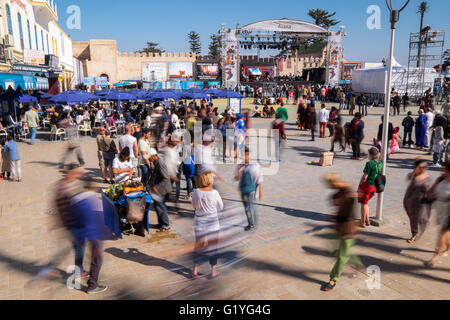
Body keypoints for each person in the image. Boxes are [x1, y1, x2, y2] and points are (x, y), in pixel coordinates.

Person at [321, 174, 362, 292]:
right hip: (339, 227)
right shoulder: (337, 193)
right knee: (341, 251)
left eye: (330, 184)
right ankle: (357, 263)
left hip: (348, 229)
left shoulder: (346, 192)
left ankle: (333, 279)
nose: (329, 187)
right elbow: (335, 203)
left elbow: (349, 203)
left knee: (342, 256)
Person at [191, 171, 223, 280]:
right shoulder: (215, 193)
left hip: (199, 223)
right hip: (213, 224)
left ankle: (195, 269)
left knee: (198, 246)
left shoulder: (196, 192)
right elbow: (221, 207)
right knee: (213, 247)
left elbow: (194, 206)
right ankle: (213, 270)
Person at [425, 161, 450, 267]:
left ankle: (435, 256)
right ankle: (449, 248)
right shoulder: (440, 179)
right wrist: (431, 195)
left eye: (444, 168)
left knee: (442, 233)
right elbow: (430, 193)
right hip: (440, 210)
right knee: (446, 233)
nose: (442, 170)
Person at [403, 159, 433, 244]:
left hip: (423, 201)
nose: (424, 168)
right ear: (416, 167)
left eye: (425, 167)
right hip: (411, 200)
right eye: (421, 167)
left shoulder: (428, 177)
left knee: (421, 217)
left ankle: (421, 226)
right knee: (413, 218)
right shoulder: (414, 174)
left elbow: (431, 189)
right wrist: (413, 172)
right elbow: (408, 177)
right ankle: (414, 234)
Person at [235, 148, 263, 231]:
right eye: (244, 155)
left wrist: (260, 190)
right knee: (247, 208)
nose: (246, 157)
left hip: (251, 190)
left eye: (247, 155)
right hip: (243, 190)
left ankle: (251, 224)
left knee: (249, 207)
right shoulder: (240, 166)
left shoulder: (254, 166)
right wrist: (237, 172)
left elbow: (259, 178)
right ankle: (251, 221)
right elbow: (237, 178)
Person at [148, 150, 172, 232]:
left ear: (153, 155)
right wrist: (151, 180)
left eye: (149, 157)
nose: (149, 159)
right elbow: (155, 174)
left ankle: (165, 224)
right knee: (156, 205)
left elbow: (165, 177)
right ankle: (161, 223)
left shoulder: (160, 162)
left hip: (161, 188)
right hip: (158, 187)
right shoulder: (156, 162)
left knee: (160, 206)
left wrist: (156, 188)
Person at [357, 148, 382, 228]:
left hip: (367, 186)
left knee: (363, 204)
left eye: (368, 154)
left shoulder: (369, 163)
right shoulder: (380, 163)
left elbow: (365, 177)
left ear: (370, 155)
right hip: (374, 187)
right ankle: (367, 220)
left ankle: (362, 222)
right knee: (366, 203)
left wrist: (360, 184)